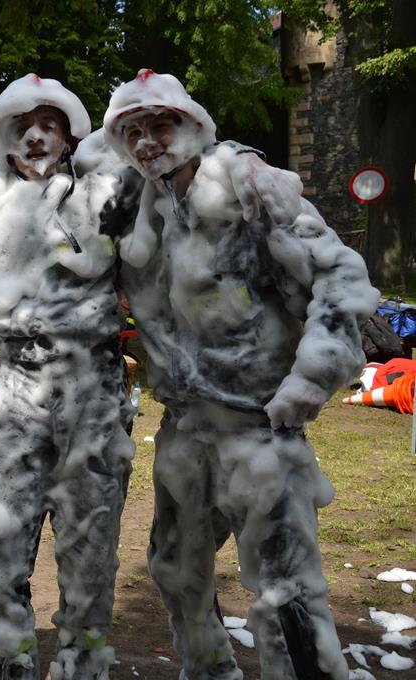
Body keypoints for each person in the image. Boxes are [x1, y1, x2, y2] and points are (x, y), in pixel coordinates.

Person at [102, 69, 379, 680]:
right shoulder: (140, 207)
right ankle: (208, 672)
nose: (149, 141)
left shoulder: (248, 191)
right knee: (174, 568)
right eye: (135, 131)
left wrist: (313, 375)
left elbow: (339, 274)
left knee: (287, 592)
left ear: (192, 126)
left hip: (258, 431)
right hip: (185, 431)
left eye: (162, 125)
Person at [0, 74, 141, 680]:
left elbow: (173, 166)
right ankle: (10, 668)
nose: (35, 135)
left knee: (89, 568)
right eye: (22, 126)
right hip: (16, 395)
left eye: (50, 125)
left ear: (69, 138)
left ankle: (81, 670)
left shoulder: (103, 197)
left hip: (93, 394)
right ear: (2, 139)